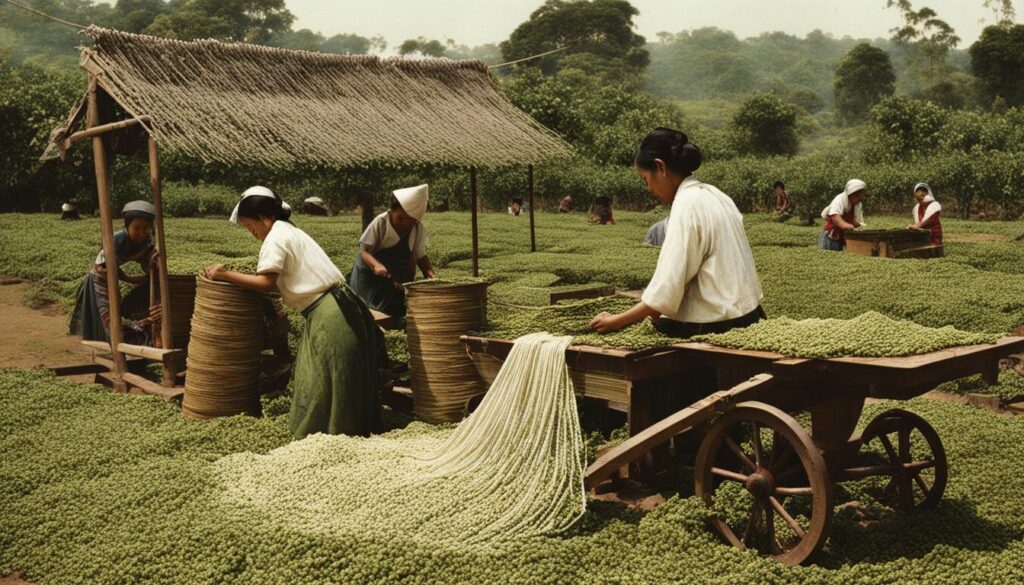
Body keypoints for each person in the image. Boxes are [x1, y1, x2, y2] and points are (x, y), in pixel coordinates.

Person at [203, 186, 383, 439]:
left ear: (264, 217)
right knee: (342, 376)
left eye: (249, 225)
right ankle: (346, 433)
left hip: (330, 314)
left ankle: (333, 437)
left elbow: (266, 282)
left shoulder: (275, 237)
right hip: (343, 305)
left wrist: (223, 274)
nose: (251, 232)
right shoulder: (290, 230)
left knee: (326, 378)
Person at [589, 128, 765, 339]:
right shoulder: (716, 195)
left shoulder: (686, 205)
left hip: (715, 328)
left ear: (660, 167)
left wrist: (615, 321)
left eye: (645, 179)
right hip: (751, 316)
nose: (648, 188)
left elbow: (667, 288)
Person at [69, 200, 160, 345]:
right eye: (136, 228)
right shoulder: (116, 239)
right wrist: (126, 278)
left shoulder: (147, 243)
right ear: (127, 226)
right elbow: (103, 268)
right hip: (100, 278)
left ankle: (139, 330)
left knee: (117, 316)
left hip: (114, 278)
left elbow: (148, 270)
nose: (141, 233)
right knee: (109, 320)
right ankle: (115, 340)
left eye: (146, 228)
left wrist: (152, 270)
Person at [349, 184, 436, 319]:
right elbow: (364, 250)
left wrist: (430, 274)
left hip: (392, 279)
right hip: (369, 278)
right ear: (393, 210)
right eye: (401, 218)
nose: (405, 224)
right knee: (367, 314)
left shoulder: (417, 229)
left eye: (410, 221)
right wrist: (377, 265)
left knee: (395, 313)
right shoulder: (381, 222)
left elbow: (420, 256)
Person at [818, 179, 868, 251]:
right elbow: (836, 218)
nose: (860, 200)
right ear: (852, 194)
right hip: (830, 236)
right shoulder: (839, 200)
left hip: (840, 237)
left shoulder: (856, 204)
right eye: (859, 198)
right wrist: (848, 226)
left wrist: (860, 227)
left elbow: (855, 221)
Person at [907, 182, 942, 247]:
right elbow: (918, 223)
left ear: (928, 193)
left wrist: (916, 226)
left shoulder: (934, 205)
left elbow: (928, 220)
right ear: (915, 194)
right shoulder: (917, 207)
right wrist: (913, 226)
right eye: (918, 191)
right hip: (923, 233)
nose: (921, 193)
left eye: (924, 191)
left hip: (933, 235)